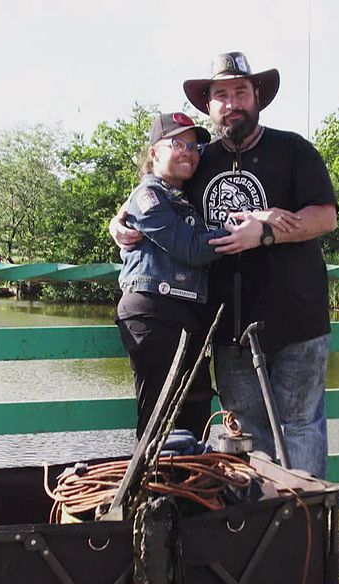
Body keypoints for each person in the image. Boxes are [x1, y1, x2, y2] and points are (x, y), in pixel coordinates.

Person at [111, 53, 338, 477]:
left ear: (257, 98)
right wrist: (117, 222)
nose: (231, 102)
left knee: (301, 426)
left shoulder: (294, 150)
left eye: (240, 92)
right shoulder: (197, 160)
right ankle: (263, 529)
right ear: (209, 106)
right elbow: (153, 196)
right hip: (226, 324)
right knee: (248, 431)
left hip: (299, 317)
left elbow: (325, 217)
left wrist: (266, 231)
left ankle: (304, 530)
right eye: (221, 95)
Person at [115, 112, 232, 441]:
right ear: (154, 152)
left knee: (194, 413)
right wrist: (238, 231)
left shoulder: (183, 196)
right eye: (177, 144)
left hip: (188, 314)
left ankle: (186, 491)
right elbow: (191, 249)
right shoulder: (148, 197)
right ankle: (152, 492)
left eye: (194, 147)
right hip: (153, 312)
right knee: (161, 417)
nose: (188, 152)